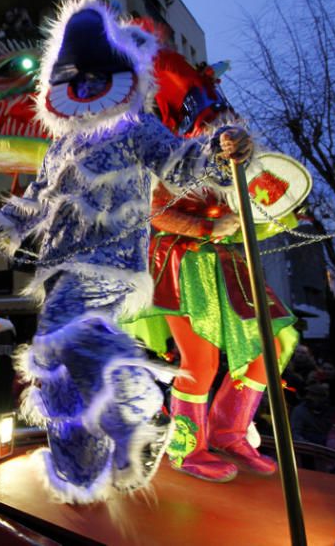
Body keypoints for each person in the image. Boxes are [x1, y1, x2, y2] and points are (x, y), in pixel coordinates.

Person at [0, 0, 252, 502]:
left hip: (108, 261)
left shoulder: (135, 126)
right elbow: (34, 202)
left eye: (97, 77)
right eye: (77, 80)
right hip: (60, 267)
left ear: (121, 77)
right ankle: (82, 464)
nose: (86, 88)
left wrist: (219, 147)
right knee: (53, 375)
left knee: (58, 342)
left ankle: (135, 397)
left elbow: (181, 163)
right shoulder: (59, 147)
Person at [123, 52, 298, 482]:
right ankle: (186, 448)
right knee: (199, 358)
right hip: (181, 266)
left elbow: (258, 202)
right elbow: (154, 213)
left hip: (229, 267)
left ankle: (229, 431)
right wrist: (209, 225)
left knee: (271, 350)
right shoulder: (161, 157)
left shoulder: (233, 154)